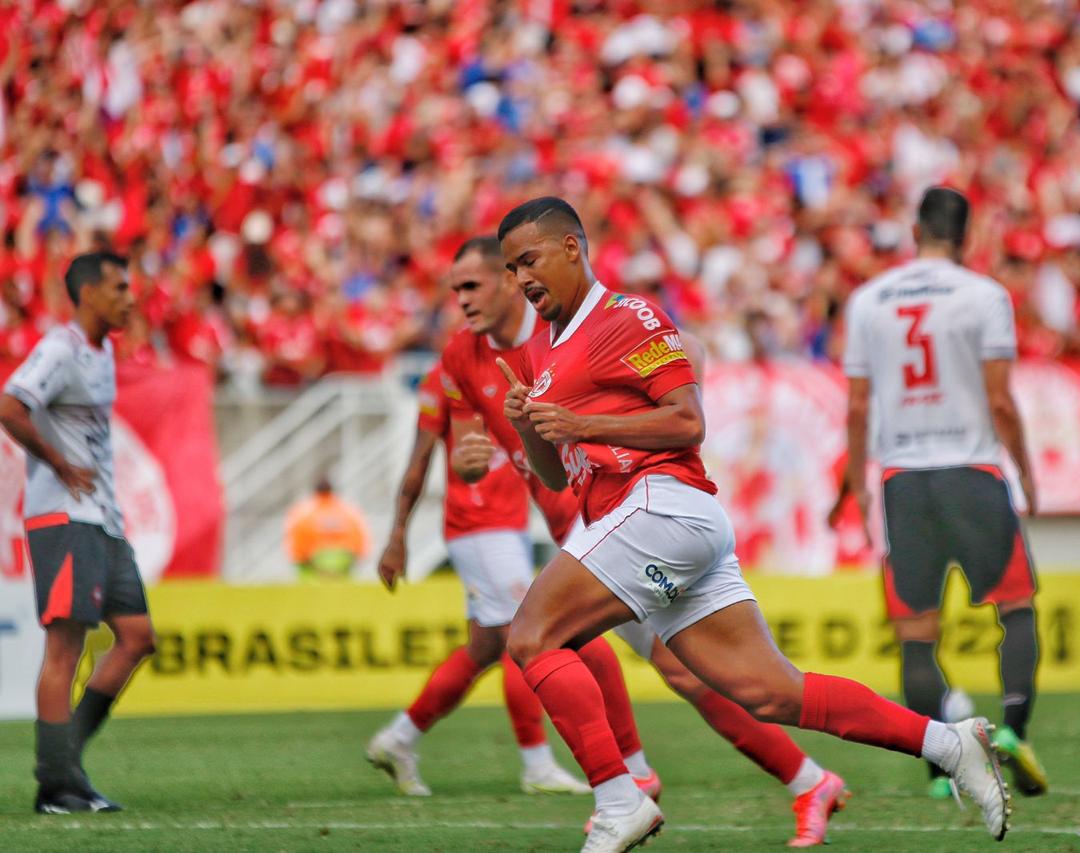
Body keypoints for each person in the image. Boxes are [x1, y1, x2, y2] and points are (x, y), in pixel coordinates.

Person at [493, 198, 1011, 853]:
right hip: (658, 521)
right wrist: (527, 422)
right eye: (512, 268)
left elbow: (687, 421)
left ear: (573, 247)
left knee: (534, 635)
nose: (521, 279)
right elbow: (555, 473)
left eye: (529, 260)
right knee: (771, 693)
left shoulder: (628, 316)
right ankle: (949, 741)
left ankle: (619, 797)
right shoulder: (548, 346)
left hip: (661, 506)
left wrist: (581, 423)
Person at [438, 236, 851, 847]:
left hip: (626, 516)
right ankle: (788, 780)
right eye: (460, 288)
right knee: (644, 663)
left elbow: (687, 350)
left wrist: (667, 419)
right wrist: (471, 462)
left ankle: (637, 778)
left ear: (509, 285)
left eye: (479, 283)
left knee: (588, 647)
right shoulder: (464, 357)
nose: (463, 299)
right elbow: (489, 446)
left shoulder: (579, 320)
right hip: (579, 526)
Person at [831, 186, 1049, 799]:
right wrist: (1026, 470)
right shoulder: (984, 296)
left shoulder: (868, 300)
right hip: (973, 470)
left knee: (918, 633)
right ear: (966, 234)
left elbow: (855, 404)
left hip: (903, 480)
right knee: (1016, 609)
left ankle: (936, 769)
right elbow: (1001, 399)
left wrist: (855, 480)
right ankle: (1013, 732)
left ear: (915, 230)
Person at [364, 358, 587, 797]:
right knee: (524, 637)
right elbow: (419, 458)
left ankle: (398, 740)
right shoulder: (450, 372)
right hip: (479, 525)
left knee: (485, 647)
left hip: (508, 525)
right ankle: (537, 765)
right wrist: (397, 534)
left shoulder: (519, 361)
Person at [0, 251, 155, 814]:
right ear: (88, 294)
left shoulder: (104, 349)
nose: (130, 298)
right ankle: (56, 786)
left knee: (137, 636)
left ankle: (65, 760)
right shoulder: (60, 350)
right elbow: (10, 405)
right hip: (62, 516)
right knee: (64, 646)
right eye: (119, 288)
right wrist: (60, 465)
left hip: (102, 519)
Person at [283, 478, 370, 579]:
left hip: (313, 561)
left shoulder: (302, 513)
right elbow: (359, 538)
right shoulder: (349, 511)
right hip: (344, 559)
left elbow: (296, 542)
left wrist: (302, 558)